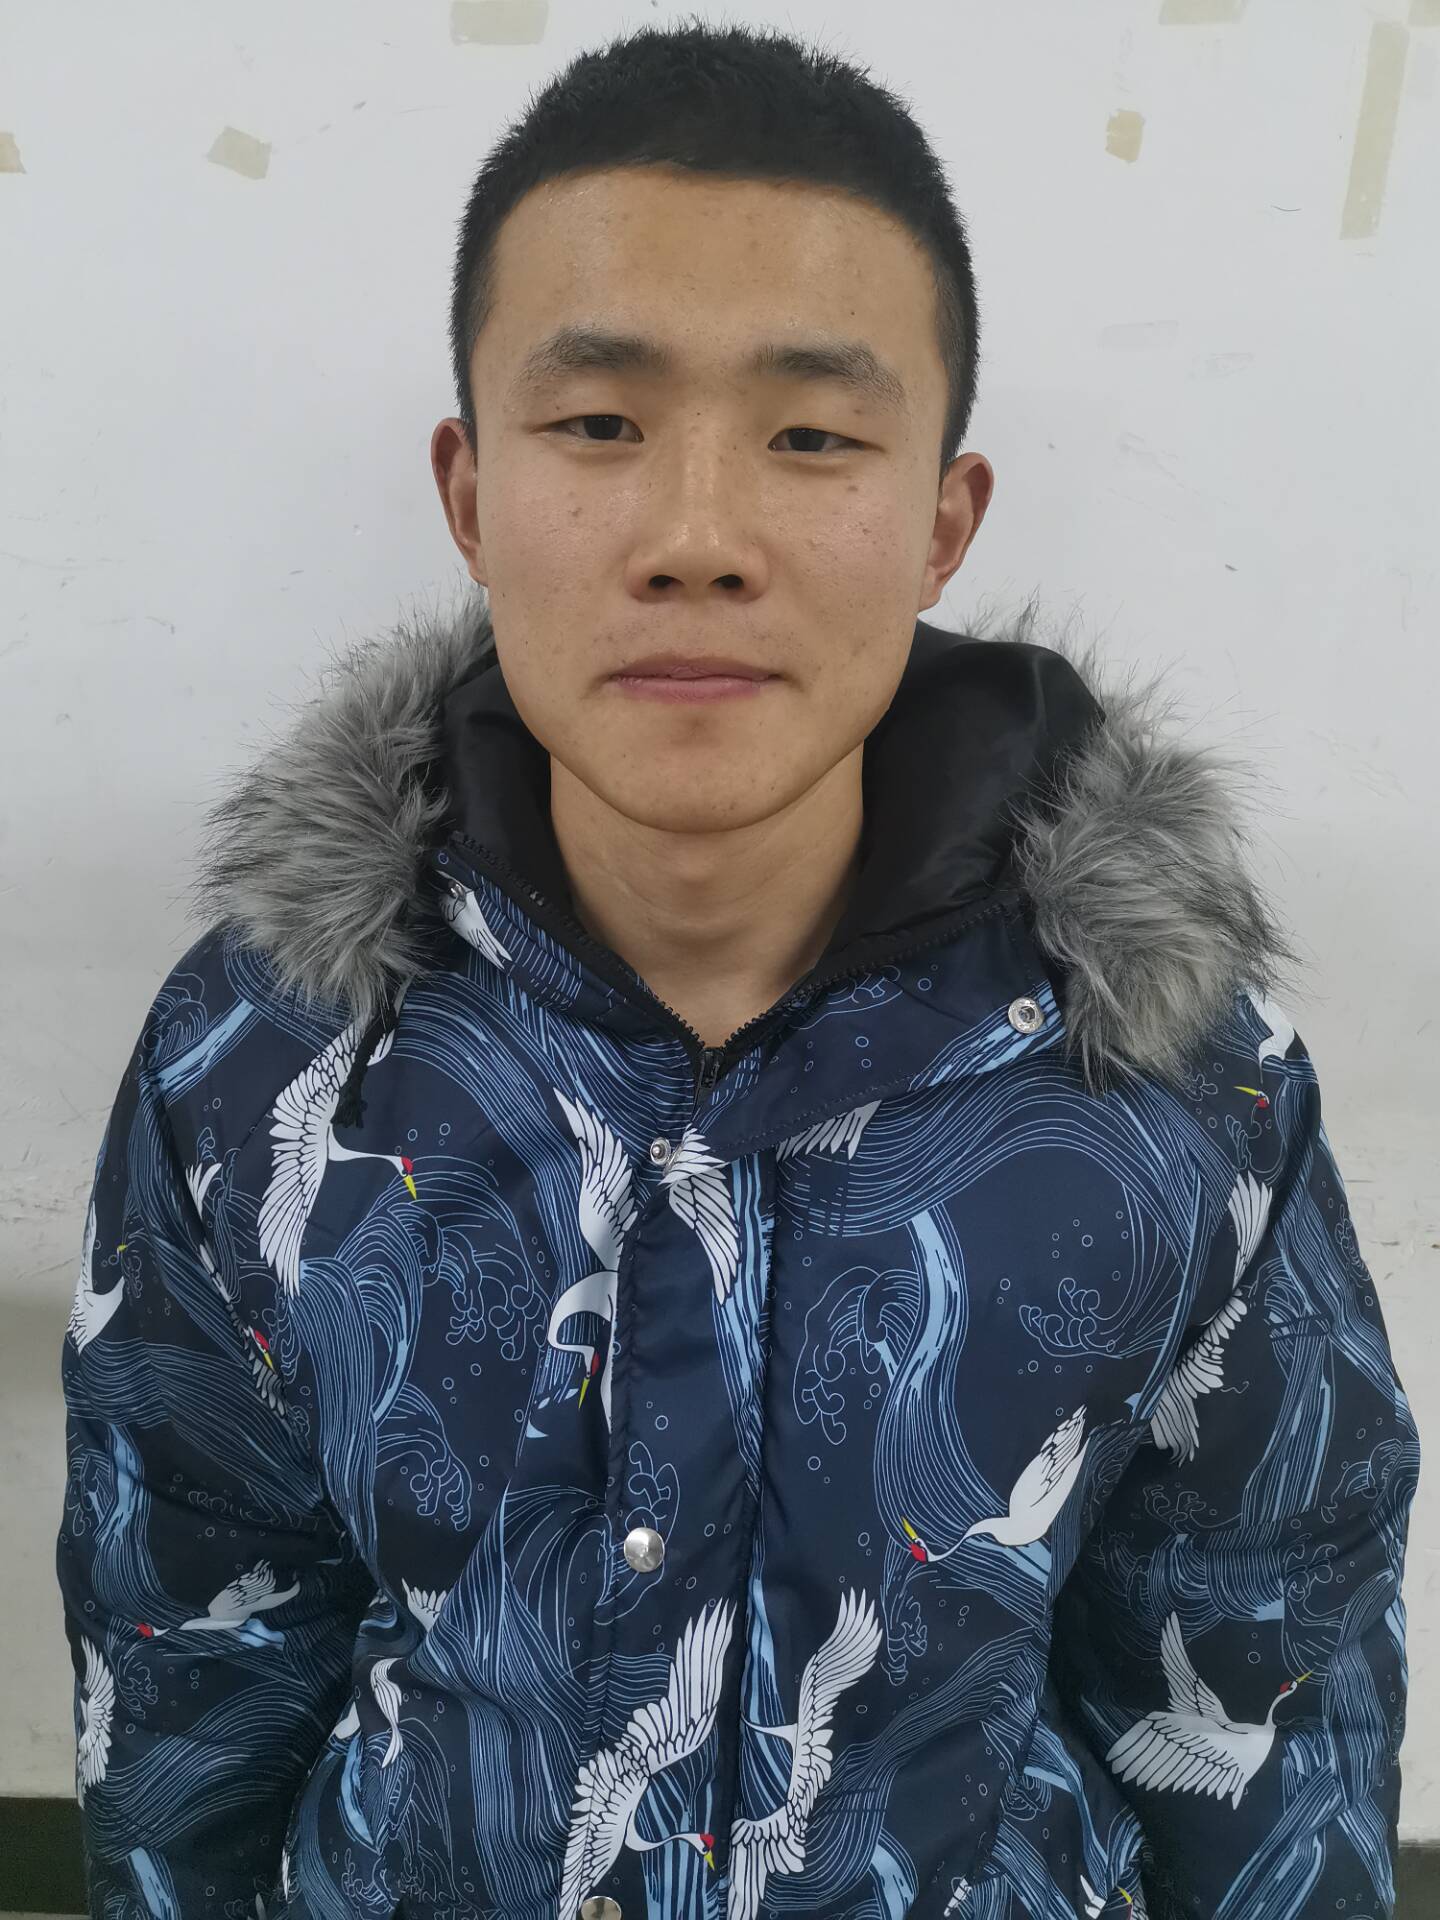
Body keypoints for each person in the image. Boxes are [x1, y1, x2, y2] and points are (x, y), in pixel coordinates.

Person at [55, 20, 1416, 1920]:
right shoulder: (266, 1052)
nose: (697, 539)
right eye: (599, 425)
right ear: (469, 493)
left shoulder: (1178, 1076)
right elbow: (184, 1649)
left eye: (814, 436)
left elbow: (1266, 1675)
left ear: (941, 520)